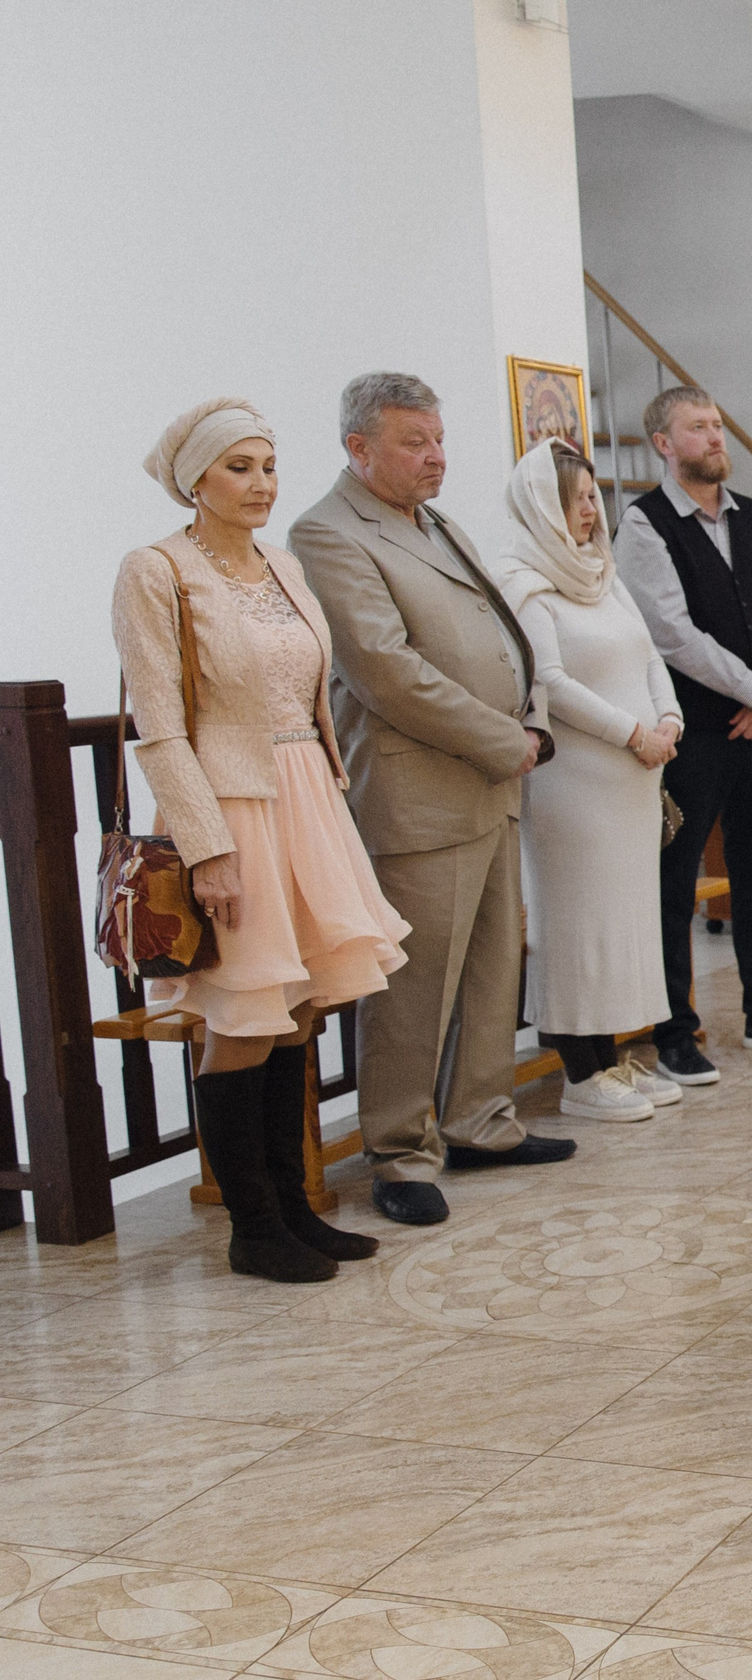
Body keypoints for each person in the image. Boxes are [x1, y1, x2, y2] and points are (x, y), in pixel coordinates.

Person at [112, 398, 409, 1282]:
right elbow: (160, 727)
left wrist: (323, 789)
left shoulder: (281, 564)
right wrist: (207, 847)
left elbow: (310, 690)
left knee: (299, 1010)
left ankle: (294, 1204)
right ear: (193, 478)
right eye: (238, 467)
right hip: (231, 806)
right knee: (242, 1016)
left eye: (268, 465)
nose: (260, 484)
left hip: (307, 796)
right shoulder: (155, 570)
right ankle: (252, 1226)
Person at [291, 373, 577, 1227]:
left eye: (439, 440)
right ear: (359, 448)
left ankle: (479, 1119)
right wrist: (504, 738)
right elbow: (387, 672)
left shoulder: (439, 521)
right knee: (413, 989)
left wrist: (527, 715)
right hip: (419, 791)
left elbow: (493, 630)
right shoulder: (329, 532)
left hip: (491, 778)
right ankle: (399, 1149)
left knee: (494, 966)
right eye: (415, 443)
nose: (436, 457)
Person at [615, 386, 752, 1087]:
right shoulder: (643, 525)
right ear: (664, 445)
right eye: (696, 428)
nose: (714, 437)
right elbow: (671, 631)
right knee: (676, 881)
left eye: (716, 425)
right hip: (695, 732)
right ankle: (675, 1028)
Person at [491, 438, 686, 1121]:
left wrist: (668, 718)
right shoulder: (525, 583)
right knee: (579, 923)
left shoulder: (602, 574)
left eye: (591, 497)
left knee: (624, 921)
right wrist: (631, 732)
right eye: (574, 501)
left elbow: (649, 654)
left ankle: (612, 1056)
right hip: (574, 785)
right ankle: (580, 1068)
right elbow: (549, 682)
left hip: (633, 781)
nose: (588, 512)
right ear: (542, 507)